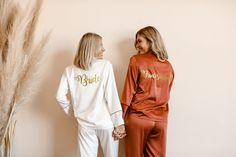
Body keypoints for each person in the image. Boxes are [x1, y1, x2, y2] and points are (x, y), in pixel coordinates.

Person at [56, 32, 126, 157]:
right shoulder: (105, 65)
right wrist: (119, 124)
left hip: (84, 125)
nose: (104, 49)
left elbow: (59, 96)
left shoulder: (70, 70)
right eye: (101, 46)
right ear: (92, 48)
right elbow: (112, 96)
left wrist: (72, 110)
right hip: (106, 123)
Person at [121, 26, 174, 157]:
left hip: (139, 118)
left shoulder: (135, 60)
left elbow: (128, 91)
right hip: (160, 121)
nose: (136, 45)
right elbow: (167, 93)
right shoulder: (168, 66)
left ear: (150, 41)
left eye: (139, 41)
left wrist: (119, 121)